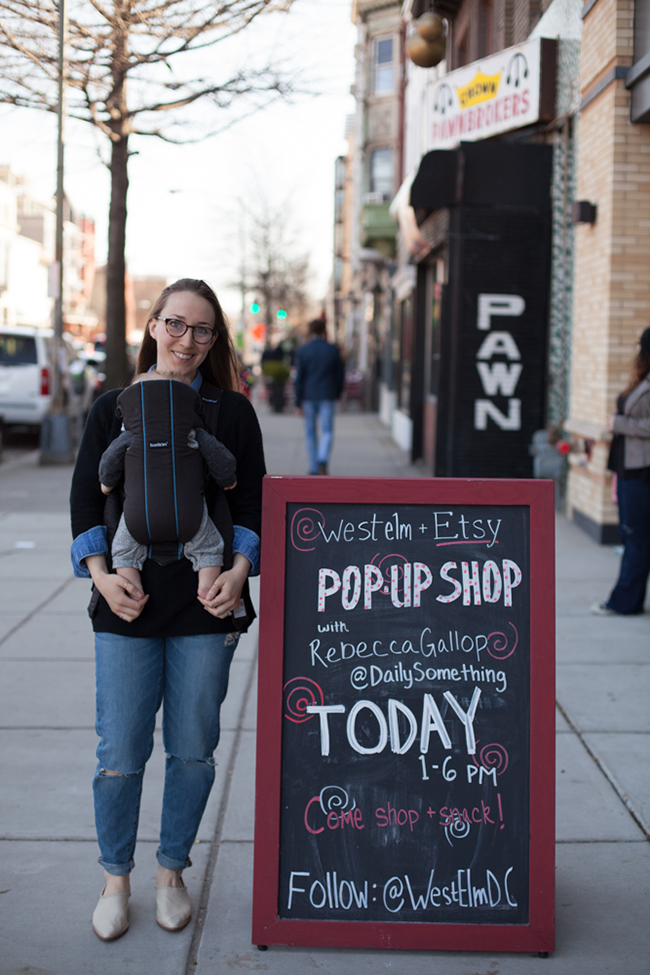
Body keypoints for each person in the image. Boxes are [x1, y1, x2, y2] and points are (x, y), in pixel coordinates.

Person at [70, 279, 265, 941]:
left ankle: (171, 872)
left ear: (215, 340)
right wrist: (102, 577)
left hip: (207, 602)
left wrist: (238, 571)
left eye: (202, 329)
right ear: (153, 325)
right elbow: (85, 497)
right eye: (176, 324)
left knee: (192, 749)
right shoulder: (113, 408)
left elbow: (250, 499)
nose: (187, 339)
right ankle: (115, 879)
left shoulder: (230, 411)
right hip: (126, 601)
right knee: (121, 750)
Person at [98, 370, 237, 601]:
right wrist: (228, 478)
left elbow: (108, 464)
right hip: (189, 514)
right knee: (209, 548)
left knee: (123, 552)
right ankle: (207, 591)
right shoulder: (193, 433)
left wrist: (106, 483)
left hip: (137, 517)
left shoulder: (130, 436)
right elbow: (222, 459)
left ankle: (134, 593)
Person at [592, 326, 650, 615]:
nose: (636, 349)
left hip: (642, 471)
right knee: (633, 536)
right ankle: (630, 600)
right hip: (629, 467)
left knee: (636, 537)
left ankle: (624, 602)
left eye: (640, 344)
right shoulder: (642, 379)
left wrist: (619, 424)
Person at [294, 318, 344, 475]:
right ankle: (322, 458)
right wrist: (338, 393)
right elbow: (340, 375)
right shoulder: (332, 349)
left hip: (308, 396)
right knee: (327, 430)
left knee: (310, 433)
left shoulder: (303, 350)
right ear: (324, 330)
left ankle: (314, 467)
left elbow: (299, 378)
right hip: (327, 395)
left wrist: (297, 402)